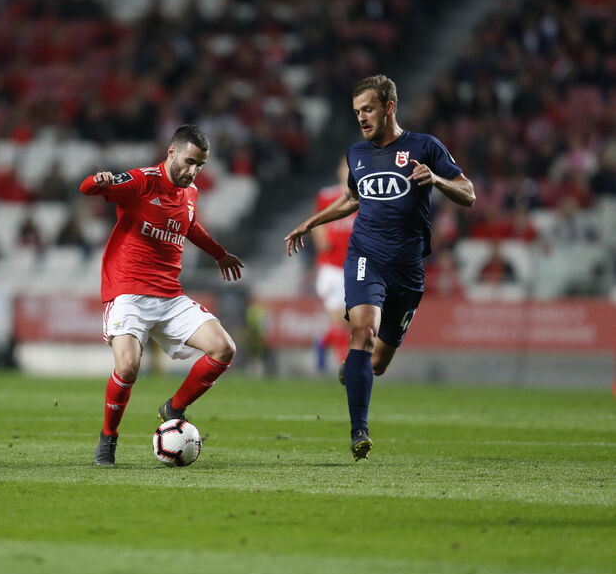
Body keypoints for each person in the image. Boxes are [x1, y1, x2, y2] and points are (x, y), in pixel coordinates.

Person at [285, 75, 475, 460]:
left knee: (378, 362)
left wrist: (436, 178)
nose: (362, 118)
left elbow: (468, 194)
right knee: (363, 331)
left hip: (407, 269)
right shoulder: (357, 153)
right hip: (364, 258)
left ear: (390, 107)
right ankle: (359, 431)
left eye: (368, 109)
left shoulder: (425, 146)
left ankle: (353, 370)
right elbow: (352, 199)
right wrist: (311, 222)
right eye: (357, 112)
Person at [81, 124, 245, 466]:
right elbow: (87, 189)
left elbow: (190, 225)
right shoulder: (142, 181)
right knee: (127, 368)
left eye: (199, 165)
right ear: (171, 152)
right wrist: (99, 181)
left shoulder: (191, 192)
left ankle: (174, 408)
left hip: (170, 296)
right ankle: (108, 439)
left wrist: (219, 254)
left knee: (224, 349)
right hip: (128, 293)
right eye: (188, 162)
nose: (193, 171)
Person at [310, 156, 356, 372]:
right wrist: (321, 238)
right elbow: (316, 223)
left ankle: (322, 342)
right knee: (340, 321)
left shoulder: (365, 198)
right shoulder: (327, 196)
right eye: (345, 166)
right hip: (331, 268)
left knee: (348, 321)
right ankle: (344, 367)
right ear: (339, 171)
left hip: (355, 268)